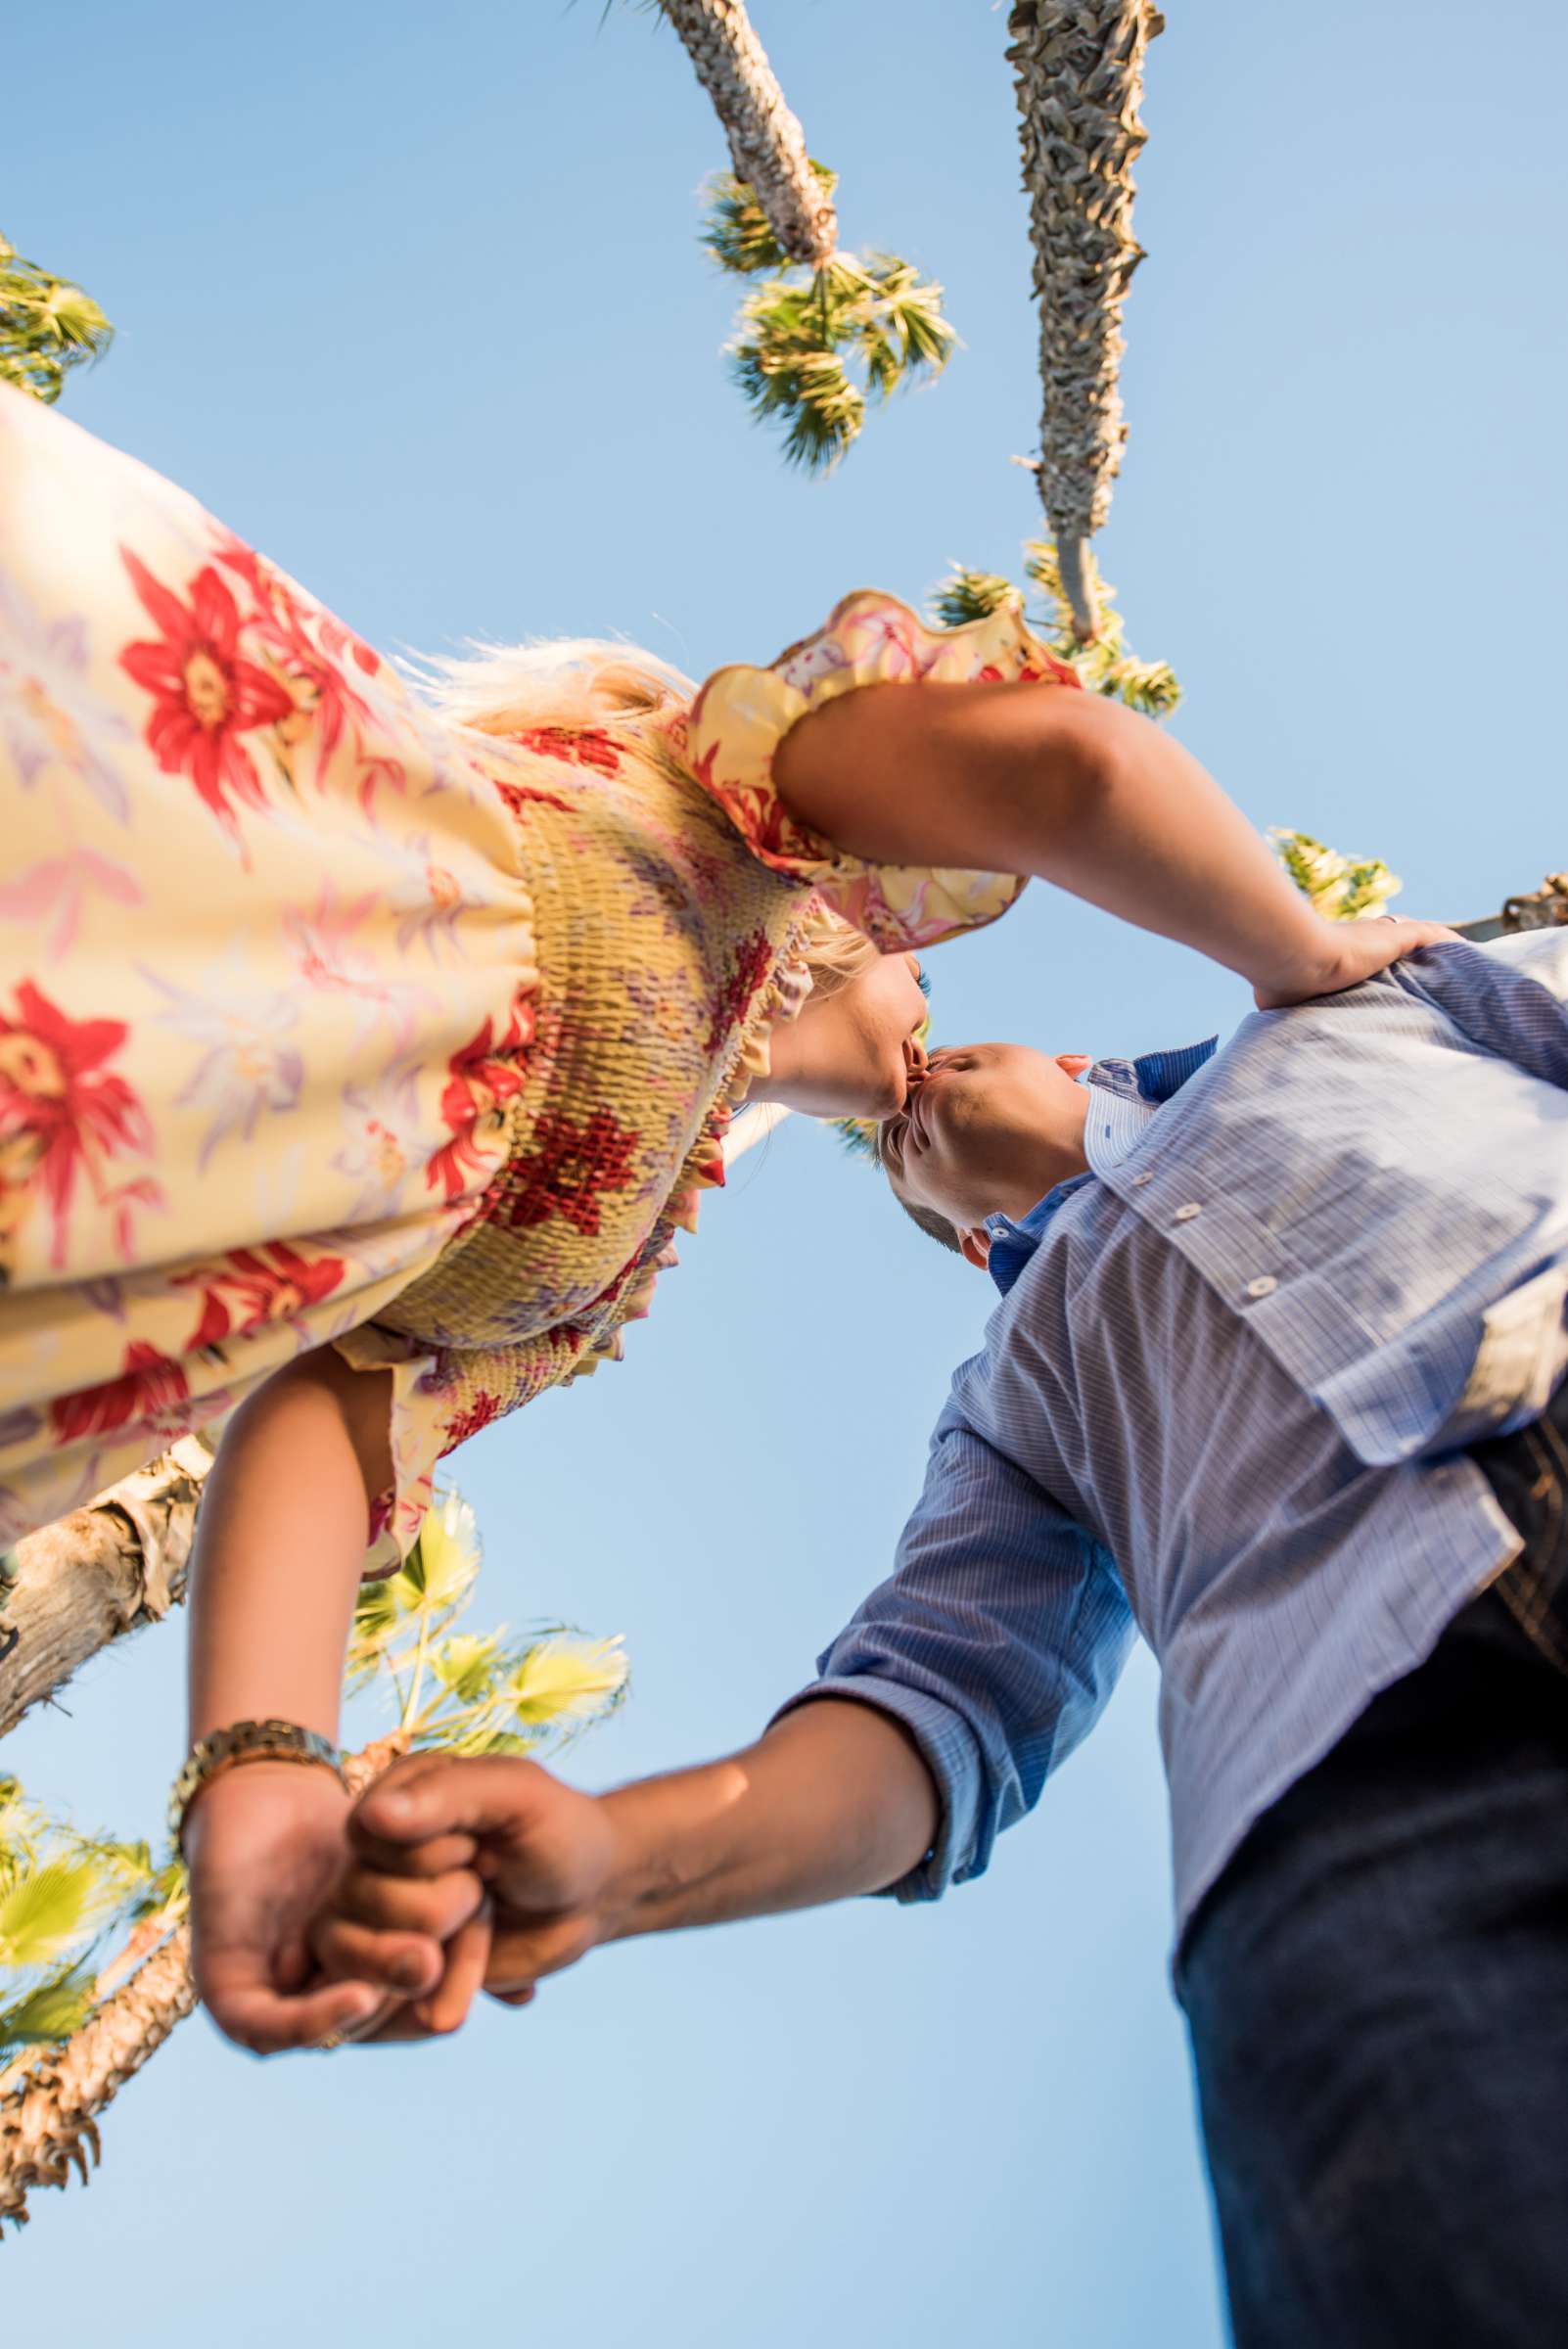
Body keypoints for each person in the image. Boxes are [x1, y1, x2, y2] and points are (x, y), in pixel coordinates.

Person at [0, 376, 1443, 2052]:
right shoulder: (730, 802)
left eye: (903, 1181)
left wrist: (257, 1774)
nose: (918, 1087)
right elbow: (1065, 770)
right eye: (942, 1009)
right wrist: (1306, 956)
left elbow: (326, 1424)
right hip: (143, 829)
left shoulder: (588, 1286)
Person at [313, 924, 1568, 2346]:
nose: (914, 1107)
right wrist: (615, 1862)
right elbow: (932, 1712)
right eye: (893, 1161)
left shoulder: (1357, 1002)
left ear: (1077, 1062)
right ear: (970, 1239)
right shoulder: (1012, 1397)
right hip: (1348, 1808)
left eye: (963, 1045)